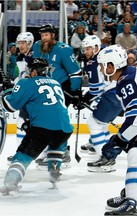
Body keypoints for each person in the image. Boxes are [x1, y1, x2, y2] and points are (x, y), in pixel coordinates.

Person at [0, 58, 73, 195]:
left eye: (30, 70)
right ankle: (54, 171)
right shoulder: (56, 83)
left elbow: (10, 106)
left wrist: (8, 91)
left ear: (35, 71)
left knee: (22, 156)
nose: (29, 72)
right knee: (55, 145)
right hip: (65, 129)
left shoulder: (27, 82)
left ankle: (10, 184)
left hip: (43, 128)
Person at [97, 44, 137, 216]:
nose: (101, 70)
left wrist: (119, 140)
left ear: (111, 66)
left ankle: (131, 201)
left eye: (102, 66)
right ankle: (131, 192)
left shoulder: (126, 81)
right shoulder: (130, 74)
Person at [32, 24, 82, 168]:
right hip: (43, 87)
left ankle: (63, 151)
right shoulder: (37, 47)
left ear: (53, 35)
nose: (44, 38)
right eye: (42, 36)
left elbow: (75, 72)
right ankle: (48, 148)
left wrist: (75, 92)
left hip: (61, 89)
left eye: (46, 35)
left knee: (57, 120)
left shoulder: (64, 50)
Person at [80, 35, 123, 173]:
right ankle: (106, 153)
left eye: (88, 49)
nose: (85, 52)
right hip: (117, 94)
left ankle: (105, 158)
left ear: (96, 48)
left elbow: (95, 89)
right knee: (101, 124)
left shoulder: (94, 63)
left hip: (111, 95)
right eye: (84, 49)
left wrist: (84, 99)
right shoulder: (103, 58)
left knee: (94, 122)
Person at [6, 32, 34, 163]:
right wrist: (14, 82)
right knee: (20, 123)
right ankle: (20, 153)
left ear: (29, 43)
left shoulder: (35, 57)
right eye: (19, 43)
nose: (21, 45)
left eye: (23, 43)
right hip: (27, 97)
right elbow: (22, 76)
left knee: (39, 127)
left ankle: (50, 153)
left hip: (35, 97)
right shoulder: (20, 58)